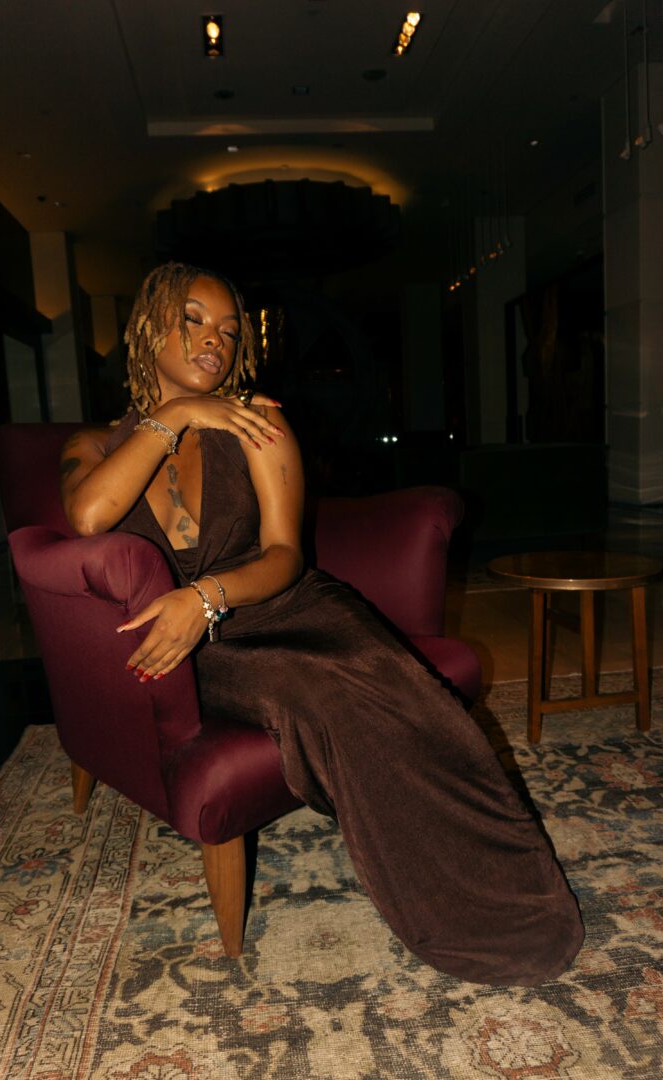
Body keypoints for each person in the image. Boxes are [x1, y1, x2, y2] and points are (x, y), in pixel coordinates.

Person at [60, 261, 584, 987]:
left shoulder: (261, 422)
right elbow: (88, 515)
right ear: (149, 329)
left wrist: (206, 594)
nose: (215, 340)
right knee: (323, 696)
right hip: (204, 647)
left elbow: (285, 555)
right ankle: (460, 908)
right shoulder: (92, 446)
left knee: (401, 685)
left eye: (229, 330)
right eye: (194, 320)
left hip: (282, 604)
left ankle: (510, 878)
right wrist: (177, 416)